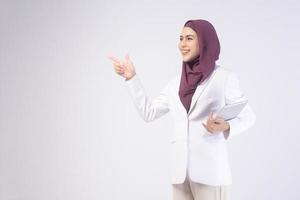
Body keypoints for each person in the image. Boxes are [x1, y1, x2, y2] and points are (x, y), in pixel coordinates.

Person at [108, 19, 256, 200]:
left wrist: (226, 126)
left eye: (189, 38)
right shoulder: (174, 83)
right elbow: (149, 113)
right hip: (180, 175)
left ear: (204, 41)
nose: (182, 44)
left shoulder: (223, 78)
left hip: (210, 174)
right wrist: (131, 78)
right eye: (180, 38)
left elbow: (248, 116)